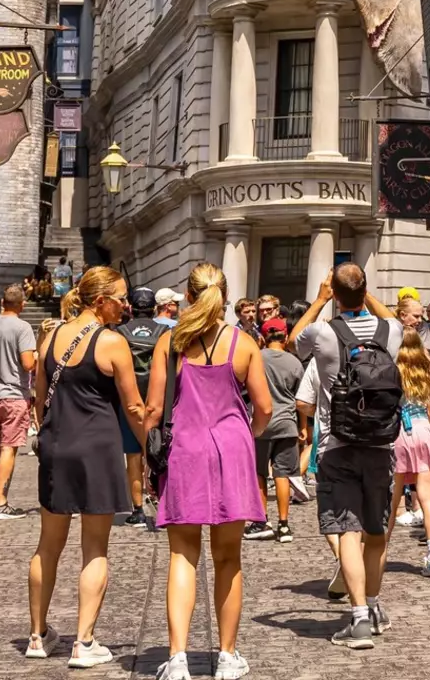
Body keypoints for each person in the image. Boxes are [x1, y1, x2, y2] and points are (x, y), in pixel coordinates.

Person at [146, 263, 270, 680]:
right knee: (228, 558)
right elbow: (265, 408)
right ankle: (227, 656)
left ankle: (178, 657)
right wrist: (243, 433)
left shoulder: (171, 343)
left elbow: (152, 410)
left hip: (186, 448)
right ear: (227, 295)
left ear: (188, 293)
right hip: (232, 448)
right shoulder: (244, 344)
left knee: (183, 555)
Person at [28, 268, 146, 668]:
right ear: (101, 302)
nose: (126, 305)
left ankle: (37, 634)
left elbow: (41, 398)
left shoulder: (50, 338)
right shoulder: (112, 342)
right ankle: (84, 641)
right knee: (94, 547)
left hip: (56, 445)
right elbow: (133, 406)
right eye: (121, 298)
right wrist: (150, 449)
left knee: (48, 545)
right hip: (96, 448)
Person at [295, 263, 401, 650]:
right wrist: (362, 293)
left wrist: (322, 299)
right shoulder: (390, 331)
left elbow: (295, 340)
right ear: (366, 291)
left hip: (337, 446)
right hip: (380, 445)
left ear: (334, 294)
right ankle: (373, 607)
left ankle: (357, 619)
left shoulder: (322, 332)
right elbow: (389, 317)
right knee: (375, 534)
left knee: (349, 532)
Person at [0, 285, 38, 520]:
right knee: (8, 449)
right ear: (22, 305)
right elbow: (27, 364)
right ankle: (0, 502)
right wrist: (37, 356)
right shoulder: (23, 327)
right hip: (14, 395)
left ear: (3, 302)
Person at [392, 326, 430, 579]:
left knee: (391, 501)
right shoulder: (427, 371)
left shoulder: (392, 371)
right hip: (424, 428)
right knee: (428, 498)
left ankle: (377, 551)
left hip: (400, 431)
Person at [117, 286, 168, 529]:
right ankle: (164, 502)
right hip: (159, 400)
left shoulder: (120, 332)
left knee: (134, 457)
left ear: (131, 307)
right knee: (161, 450)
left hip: (129, 401)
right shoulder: (165, 331)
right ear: (154, 307)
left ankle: (137, 510)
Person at [250, 317, 303, 543]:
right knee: (283, 475)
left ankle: (262, 521)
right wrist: (302, 426)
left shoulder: (257, 358)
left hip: (261, 423)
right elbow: (301, 399)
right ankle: (284, 525)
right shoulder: (295, 362)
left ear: (263, 337)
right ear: (286, 336)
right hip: (287, 423)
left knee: (260, 473)